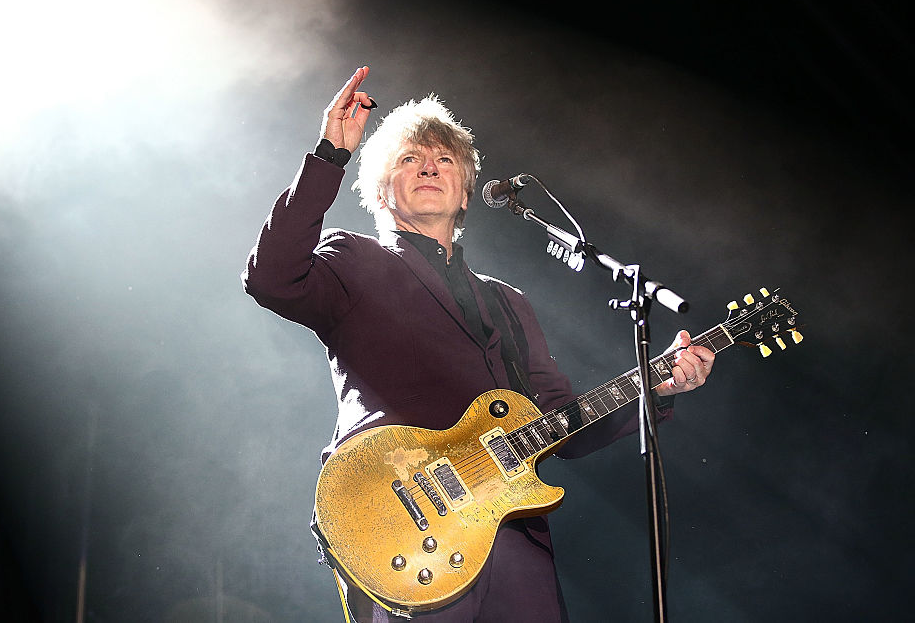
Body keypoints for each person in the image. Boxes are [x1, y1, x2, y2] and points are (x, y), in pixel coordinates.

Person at [242, 66, 716, 622]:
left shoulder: (508, 302)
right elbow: (271, 277)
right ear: (378, 189)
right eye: (409, 159)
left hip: (511, 536)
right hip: (401, 520)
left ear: (466, 190)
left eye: (445, 160)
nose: (429, 167)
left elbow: (564, 426)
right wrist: (329, 155)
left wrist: (657, 386)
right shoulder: (351, 258)